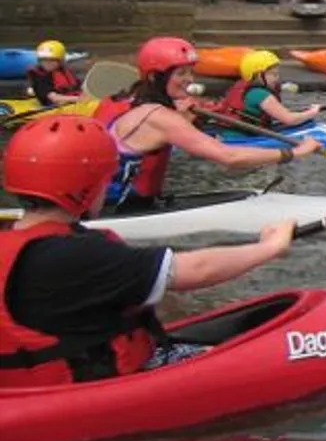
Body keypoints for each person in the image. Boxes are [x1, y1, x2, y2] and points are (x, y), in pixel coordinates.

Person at [0, 116, 300, 385]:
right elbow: (197, 270)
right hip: (92, 384)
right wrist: (269, 247)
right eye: (105, 180)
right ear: (87, 187)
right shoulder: (82, 255)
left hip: (24, 383)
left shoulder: (10, 241)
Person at [93, 37, 321, 212]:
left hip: (103, 206)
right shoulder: (160, 117)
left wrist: (183, 118)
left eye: (190, 72)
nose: (190, 80)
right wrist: (294, 152)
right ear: (155, 77)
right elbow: (230, 158)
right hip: (120, 211)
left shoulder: (121, 101)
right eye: (181, 73)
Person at [216, 50, 319, 130]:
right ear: (259, 75)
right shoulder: (261, 95)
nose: (277, 78)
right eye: (273, 74)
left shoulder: (244, 87)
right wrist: (311, 112)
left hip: (231, 133)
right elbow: (290, 119)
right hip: (242, 139)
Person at [26, 41, 85, 108]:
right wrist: (78, 99)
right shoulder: (39, 76)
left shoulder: (65, 71)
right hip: (52, 107)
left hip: (72, 102)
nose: (46, 63)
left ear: (60, 61)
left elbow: (81, 88)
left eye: (51, 60)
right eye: (43, 60)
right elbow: (54, 98)